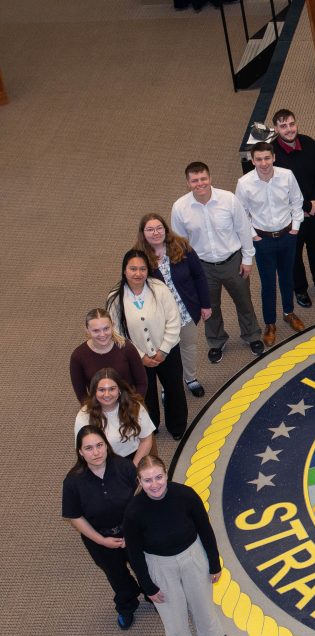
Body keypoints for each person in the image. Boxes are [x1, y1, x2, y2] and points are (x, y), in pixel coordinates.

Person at [123, 455, 225, 636]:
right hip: (160, 565)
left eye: (159, 477)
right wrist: (147, 585)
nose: (155, 484)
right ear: (139, 481)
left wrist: (214, 562)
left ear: (166, 474)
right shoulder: (133, 512)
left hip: (193, 556)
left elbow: (205, 528)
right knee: (173, 614)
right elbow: (134, 553)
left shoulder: (186, 495)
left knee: (202, 605)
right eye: (148, 480)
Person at [171, 161, 264, 363]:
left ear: (210, 178)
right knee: (209, 307)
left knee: (244, 301)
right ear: (188, 183)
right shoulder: (180, 208)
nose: (200, 183)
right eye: (195, 180)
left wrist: (247, 259)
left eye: (203, 178)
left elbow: (243, 229)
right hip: (202, 266)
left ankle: (252, 335)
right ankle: (216, 341)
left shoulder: (228, 200)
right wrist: (188, 271)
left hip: (233, 262)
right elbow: (179, 244)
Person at [62, 426, 144, 630]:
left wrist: (132, 530)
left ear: (106, 446)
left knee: (145, 567)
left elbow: (140, 498)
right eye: (88, 448)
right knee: (116, 576)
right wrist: (101, 540)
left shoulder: (124, 467)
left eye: (99, 445)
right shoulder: (72, 482)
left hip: (132, 533)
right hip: (100, 539)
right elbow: (75, 517)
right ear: (80, 452)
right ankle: (127, 604)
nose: (96, 452)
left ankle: (151, 594)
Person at [106, 250, 187, 440]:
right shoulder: (115, 298)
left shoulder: (159, 289)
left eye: (142, 269)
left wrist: (164, 349)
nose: (138, 273)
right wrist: (140, 355)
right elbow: (116, 333)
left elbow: (174, 320)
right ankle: (151, 425)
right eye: (133, 269)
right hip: (137, 358)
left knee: (174, 388)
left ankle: (177, 426)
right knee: (145, 392)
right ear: (124, 271)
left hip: (167, 351)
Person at [235, 141, 306, 348]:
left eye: (267, 158)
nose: (263, 163)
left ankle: (288, 313)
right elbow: (241, 214)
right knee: (267, 284)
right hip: (262, 240)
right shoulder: (244, 183)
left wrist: (295, 228)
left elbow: (297, 201)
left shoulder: (287, 175)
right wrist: (253, 236)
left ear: (274, 157)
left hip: (287, 236)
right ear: (252, 160)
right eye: (259, 159)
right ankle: (270, 324)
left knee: (287, 276)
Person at [136, 213, 212, 397]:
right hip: (159, 318)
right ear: (143, 233)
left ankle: (191, 378)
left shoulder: (182, 247)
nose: (155, 233)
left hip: (186, 312)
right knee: (164, 351)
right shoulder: (139, 257)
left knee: (188, 346)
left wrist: (205, 304)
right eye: (150, 229)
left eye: (159, 228)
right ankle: (167, 386)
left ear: (165, 229)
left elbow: (199, 276)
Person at [271, 108, 315, 305]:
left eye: (291, 124)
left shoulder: (308, 143)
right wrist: (303, 207)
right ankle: (300, 289)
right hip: (290, 216)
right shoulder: (272, 154)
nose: (289, 129)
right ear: (276, 128)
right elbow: (276, 189)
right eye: (283, 126)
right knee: (295, 254)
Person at [74, 368, 155, 464]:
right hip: (99, 463)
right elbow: (82, 449)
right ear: (94, 392)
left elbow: (146, 440)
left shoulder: (135, 407)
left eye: (112, 389)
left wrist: (132, 469)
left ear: (119, 390)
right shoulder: (84, 416)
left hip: (133, 459)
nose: (107, 394)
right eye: (101, 390)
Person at [69, 308, 148, 403]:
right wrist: (95, 412)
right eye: (96, 331)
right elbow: (82, 395)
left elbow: (142, 383)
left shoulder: (127, 348)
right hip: (98, 409)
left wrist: (133, 406)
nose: (102, 334)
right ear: (87, 330)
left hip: (129, 405)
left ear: (112, 326)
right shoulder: (78, 357)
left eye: (106, 328)